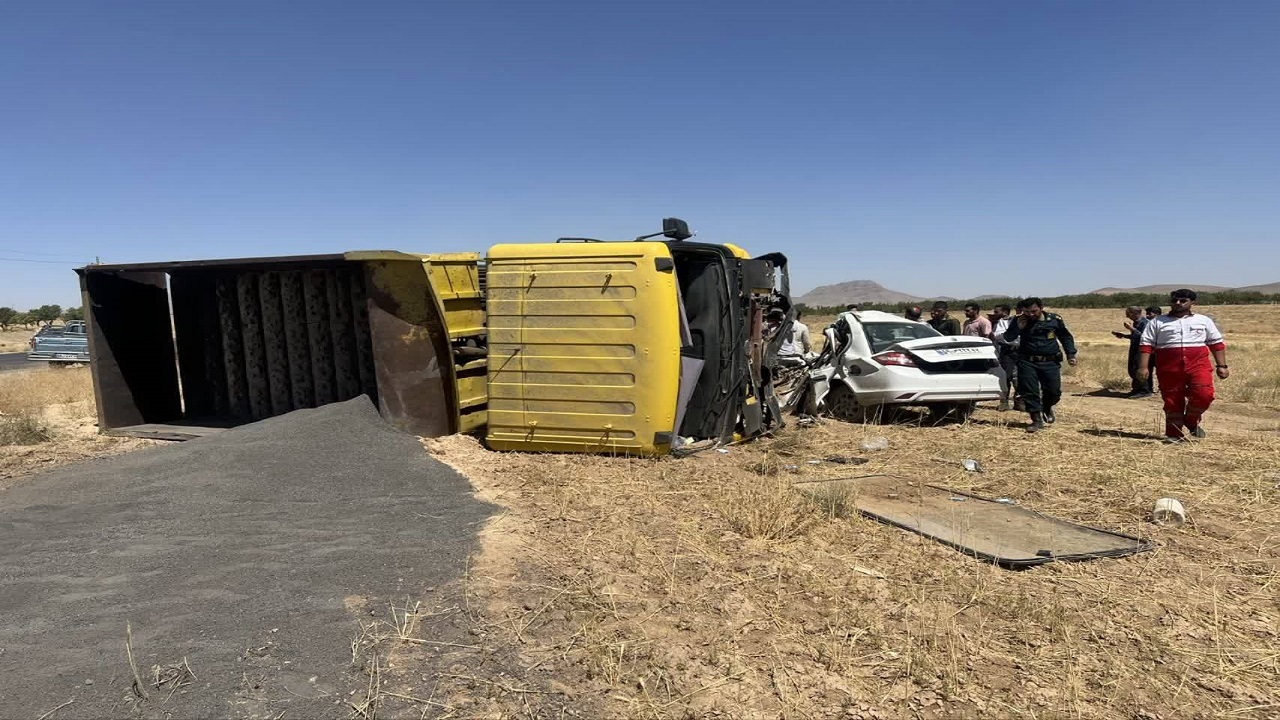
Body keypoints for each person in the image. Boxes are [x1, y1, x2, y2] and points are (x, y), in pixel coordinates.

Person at [1137, 289, 1229, 442]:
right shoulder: (1157, 322)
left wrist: (1222, 366)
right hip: (1168, 368)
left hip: (1198, 366)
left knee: (1204, 395)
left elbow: (1216, 343)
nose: (1178, 303)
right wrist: (1143, 367)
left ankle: (1191, 420)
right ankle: (1174, 434)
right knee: (1172, 400)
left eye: (1182, 300)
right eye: (1174, 300)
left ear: (1193, 302)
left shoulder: (1204, 320)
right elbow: (1146, 345)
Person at [1003, 298, 1078, 433]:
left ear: (1041, 307)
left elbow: (1065, 337)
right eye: (1027, 312)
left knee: (1053, 391)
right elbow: (1008, 337)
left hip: (1050, 361)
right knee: (1029, 391)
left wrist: (1071, 354)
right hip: (1027, 361)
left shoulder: (1054, 319)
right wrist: (1018, 328)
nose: (1031, 314)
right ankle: (1036, 420)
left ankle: (1047, 406)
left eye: (1034, 311)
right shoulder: (1019, 320)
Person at [1112, 305, 1153, 397]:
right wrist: (1123, 335)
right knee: (1133, 369)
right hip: (1134, 348)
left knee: (1139, 368)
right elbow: (1135, 336)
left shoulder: (1145, 323)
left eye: (1128, 314)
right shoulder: (1136, 323)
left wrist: (1131, 329)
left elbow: (1144, 336)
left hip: (1142, 350)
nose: (1127, 316)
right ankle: (1136, 389)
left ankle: (1145, 390)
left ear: (1135, 313)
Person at [990, 303, 1021, 411]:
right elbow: (997, 336)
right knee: (1006, 377)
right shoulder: (1002, 322)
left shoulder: (1026, 322)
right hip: (1007, 351)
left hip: (1022, 351)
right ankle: (1004, 401)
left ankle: (1019, 402)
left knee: (1020, 378)